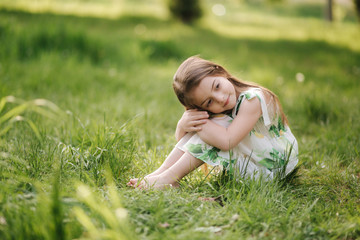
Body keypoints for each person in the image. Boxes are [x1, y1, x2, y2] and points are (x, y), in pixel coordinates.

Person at [127, 56, 298, 189]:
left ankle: (168, 178)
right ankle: (160, 174)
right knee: (210, 125)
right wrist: (183, 124)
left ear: (219, 72)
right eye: (208, 102)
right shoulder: (219, 111)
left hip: (274, 170)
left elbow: (227, 141)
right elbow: (184, 141)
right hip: (253, 164)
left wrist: (201, 122)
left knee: (214, 126)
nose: (220, 98)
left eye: (216, 86)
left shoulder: (253, 99)